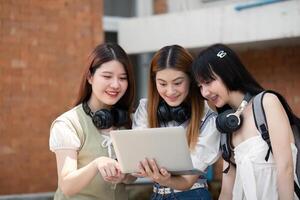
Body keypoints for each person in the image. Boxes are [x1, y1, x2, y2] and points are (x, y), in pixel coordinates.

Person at [191, 43, 299, 200]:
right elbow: (227, 191)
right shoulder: (227, 126)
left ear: (226, 72)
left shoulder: (267, 103)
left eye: (208, 82)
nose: (204, 92)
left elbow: (286, 168)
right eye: (200, 86)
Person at [132, 45, 220, 200]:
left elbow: (187, 181)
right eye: (162, 84)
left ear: (191, 80)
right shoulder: (146, 109)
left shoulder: (209, 120)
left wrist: (165, 179)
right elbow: (136, 158)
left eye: (178, 83)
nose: (170, 91)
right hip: (157, 194)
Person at [49, 43, 136, 200]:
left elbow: (131, 177)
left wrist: (124, 176)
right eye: (107, 76)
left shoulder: (129, 121)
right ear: (90, 77)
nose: (116, 84)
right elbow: (67, 185)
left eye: (123, 78)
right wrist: (97, 164)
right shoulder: (68, 124)